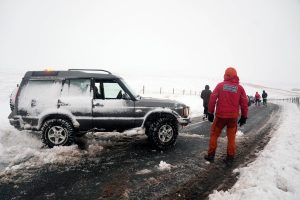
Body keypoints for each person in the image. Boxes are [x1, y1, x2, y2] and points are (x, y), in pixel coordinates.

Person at [204, 67, 248, 167]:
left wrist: (210, 112)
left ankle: (211, 156)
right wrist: (244, 116)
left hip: (220, 117)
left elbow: (212, 98)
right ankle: (230, 158)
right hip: (233, 118)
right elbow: (244, 103)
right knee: (231, 138)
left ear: (226, 75)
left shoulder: (220, 86)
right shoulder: (240, 88)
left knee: (214, 135)